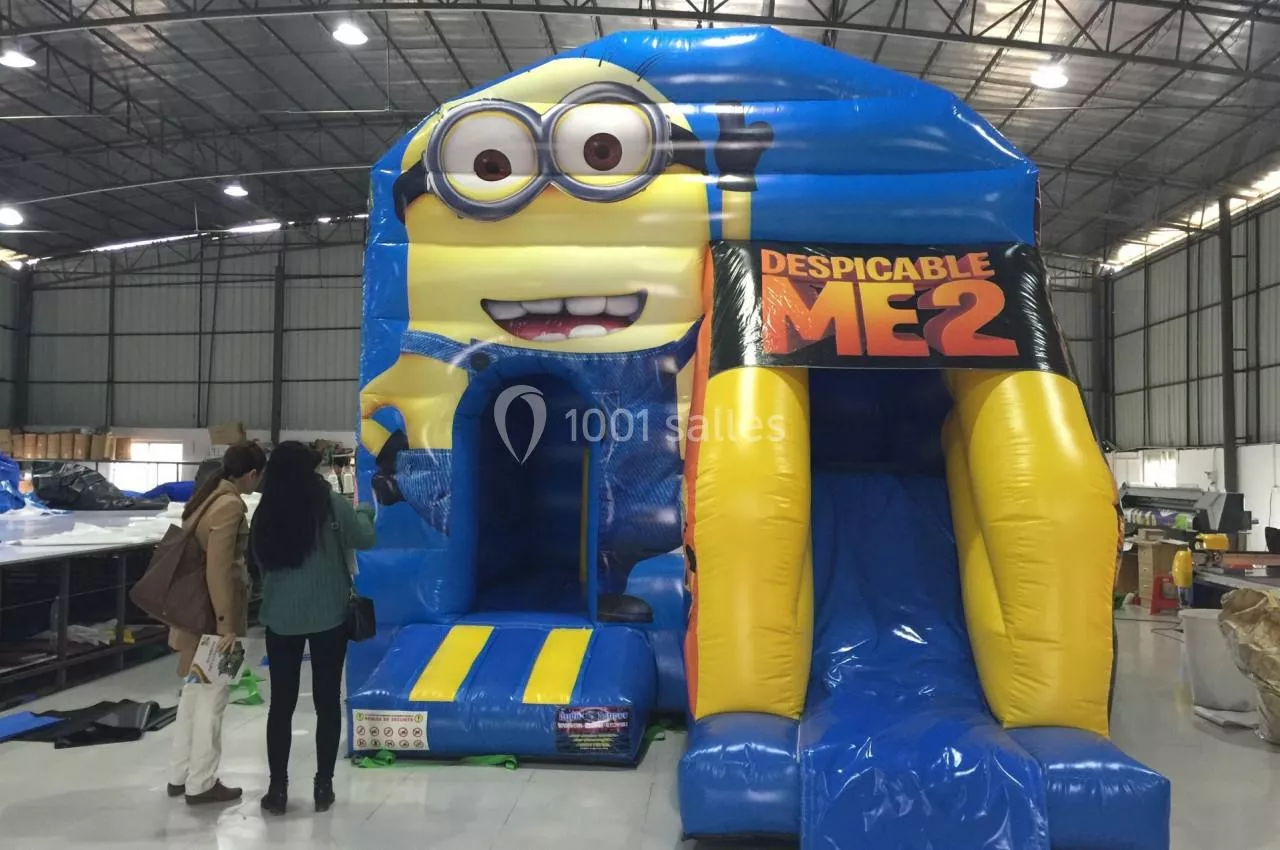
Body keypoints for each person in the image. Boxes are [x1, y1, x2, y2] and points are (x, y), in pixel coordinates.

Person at [252, 442, 376, 815]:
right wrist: (366, 510)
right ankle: (324, 785)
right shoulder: (330, 504)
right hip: (329, 617)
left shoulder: (265, 510)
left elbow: (257, 561)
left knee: (281, 705)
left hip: (281, 618)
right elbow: (365, 538)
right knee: (327, 702)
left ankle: (277, 789)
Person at [167, 441, 267, 804]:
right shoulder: (230, 505)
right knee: (214, 697)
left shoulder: (206, 498)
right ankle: (203, 782)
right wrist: (226, 625)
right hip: (215, 621)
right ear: (251, 474)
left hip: (194, 616)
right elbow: (219, 569)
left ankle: (180, 775)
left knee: (193, 695)